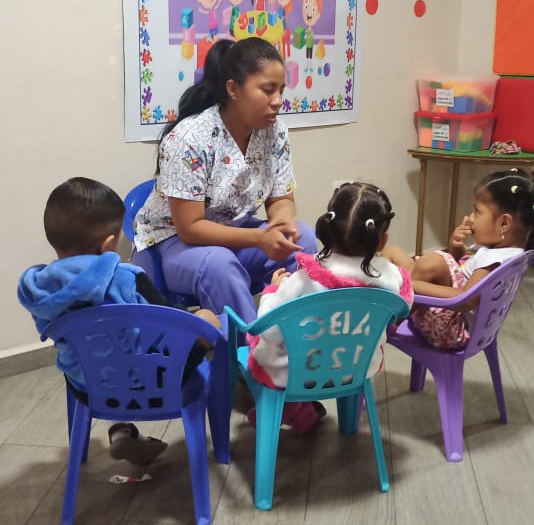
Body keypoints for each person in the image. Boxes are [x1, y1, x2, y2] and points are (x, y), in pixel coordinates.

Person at [17, 178, 221, 465]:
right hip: (154, 383)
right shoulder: (127, 279)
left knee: (96, 355)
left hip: (87, 387)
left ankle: (121, 429)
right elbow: (170, 322)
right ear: (108, 244)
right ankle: (229, 414)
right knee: (206, 322)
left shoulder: (37, 288)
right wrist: (202, 320)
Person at [133, 37, 317, 323]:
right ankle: (251, 345)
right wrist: (259, 238)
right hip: (171, 242)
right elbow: (190, 228)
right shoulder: (189, 138)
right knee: (220, 265)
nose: (278, 101)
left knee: (304, 239)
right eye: (267, 90)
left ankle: (291, 335)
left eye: (281, 90)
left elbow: (282, 198)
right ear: (233, 89)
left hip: (234, 234)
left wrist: (283, 222)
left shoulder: (275, 132)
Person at [246, 181, 413, 433]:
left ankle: (289, 407)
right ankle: (304, 412)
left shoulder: (304, 278)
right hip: (356, 368)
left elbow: (268, 331)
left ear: (329, 228)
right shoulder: (393, 278)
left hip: (296, 373)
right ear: (382, 241)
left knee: (260, 342)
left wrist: (272, 290)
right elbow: (403, 309)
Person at [384, 168, 534, 349]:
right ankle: (380, 296)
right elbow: (464, 270)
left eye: (477, 211)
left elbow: (465, 299)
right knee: (393, 252)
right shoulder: (508, 252)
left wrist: (410, 283)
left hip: (451, 328)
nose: (470, 218)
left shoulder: (494, 261)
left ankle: (390, 318)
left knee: (431, 262)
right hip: (453, 317)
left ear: (504, 223)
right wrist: (456, 249)